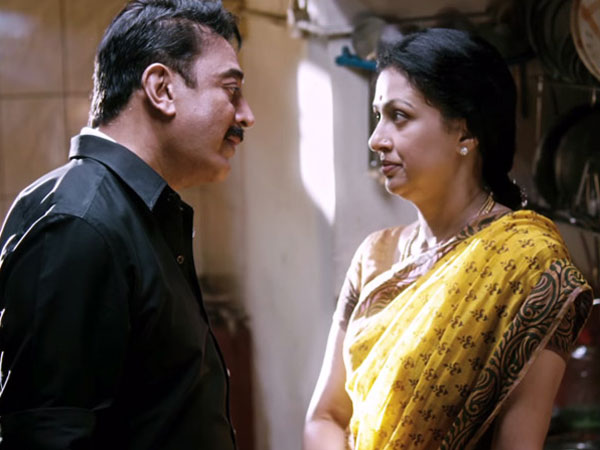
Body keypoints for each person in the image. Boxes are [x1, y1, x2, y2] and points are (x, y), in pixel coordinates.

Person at [304, 28, 593, 450]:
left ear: (465, 133)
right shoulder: (374, 257)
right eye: (377, 115)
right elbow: (325, 417)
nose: (376, 139)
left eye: (399, 116)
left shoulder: (530, 267)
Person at [0, 0, 254, 448]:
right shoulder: (79, 223)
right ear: (161, 89)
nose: (246, 115)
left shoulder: (135, 211)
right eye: (230, 91)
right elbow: (50, 436)